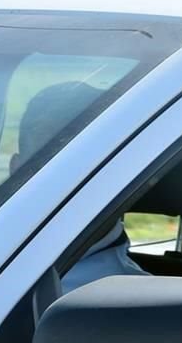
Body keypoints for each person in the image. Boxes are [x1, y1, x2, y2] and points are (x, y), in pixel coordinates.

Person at [12, 81, 147, 294]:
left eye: (84, 166)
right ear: (15, 170)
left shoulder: (135, 305)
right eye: (46, 161)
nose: (68, 184)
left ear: (120, 177)